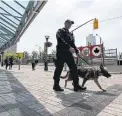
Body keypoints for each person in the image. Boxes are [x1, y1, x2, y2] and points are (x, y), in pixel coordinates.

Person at [53, 19, 86, 92]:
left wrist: (77, 51)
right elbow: (61, 40)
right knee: (59, 68)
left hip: (68, 54)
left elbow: (73, 44)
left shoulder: (71, 34)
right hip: (61, 52)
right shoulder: (60, 31)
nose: (69, 24)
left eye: (71, 24)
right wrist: (69, 47)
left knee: (74, 68)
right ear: (65, 23)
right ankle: (56, 85)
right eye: (68, 23)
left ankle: (76, 85)